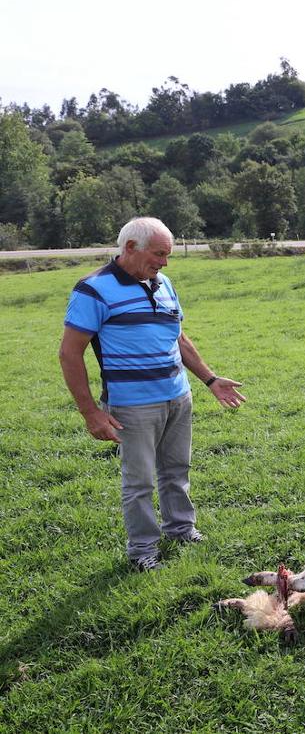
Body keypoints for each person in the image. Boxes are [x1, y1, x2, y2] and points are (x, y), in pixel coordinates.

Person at [59, 217, 246, 572]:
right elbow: (70, 353)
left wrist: (209, 379)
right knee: (140, 481)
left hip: (178, 396)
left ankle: (181, 529)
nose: (164, 262)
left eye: (167, 256)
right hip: (133, 405)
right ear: (130, 247)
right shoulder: (93, 289)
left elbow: (178, 337)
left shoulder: (164, 284)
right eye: (159, 254)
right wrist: (91, 413)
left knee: (177, 469)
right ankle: (143, 551)